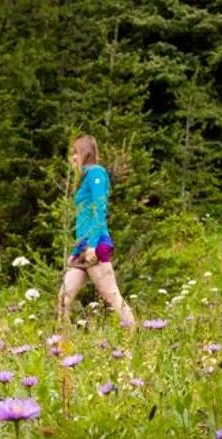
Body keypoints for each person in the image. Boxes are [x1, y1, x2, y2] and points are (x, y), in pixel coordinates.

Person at [59, 136, 137, 331]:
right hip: (83, 248)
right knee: (63, 299)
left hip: (95, 245)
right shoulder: (85, 177)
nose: (72, 158)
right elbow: (83, 219)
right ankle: (61, 346)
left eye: (75, 153)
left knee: (112, 296)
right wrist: (77, 250)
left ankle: (135, 337)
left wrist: (93, 245)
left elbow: (99, 208)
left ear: (84, 154)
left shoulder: (96, 173)